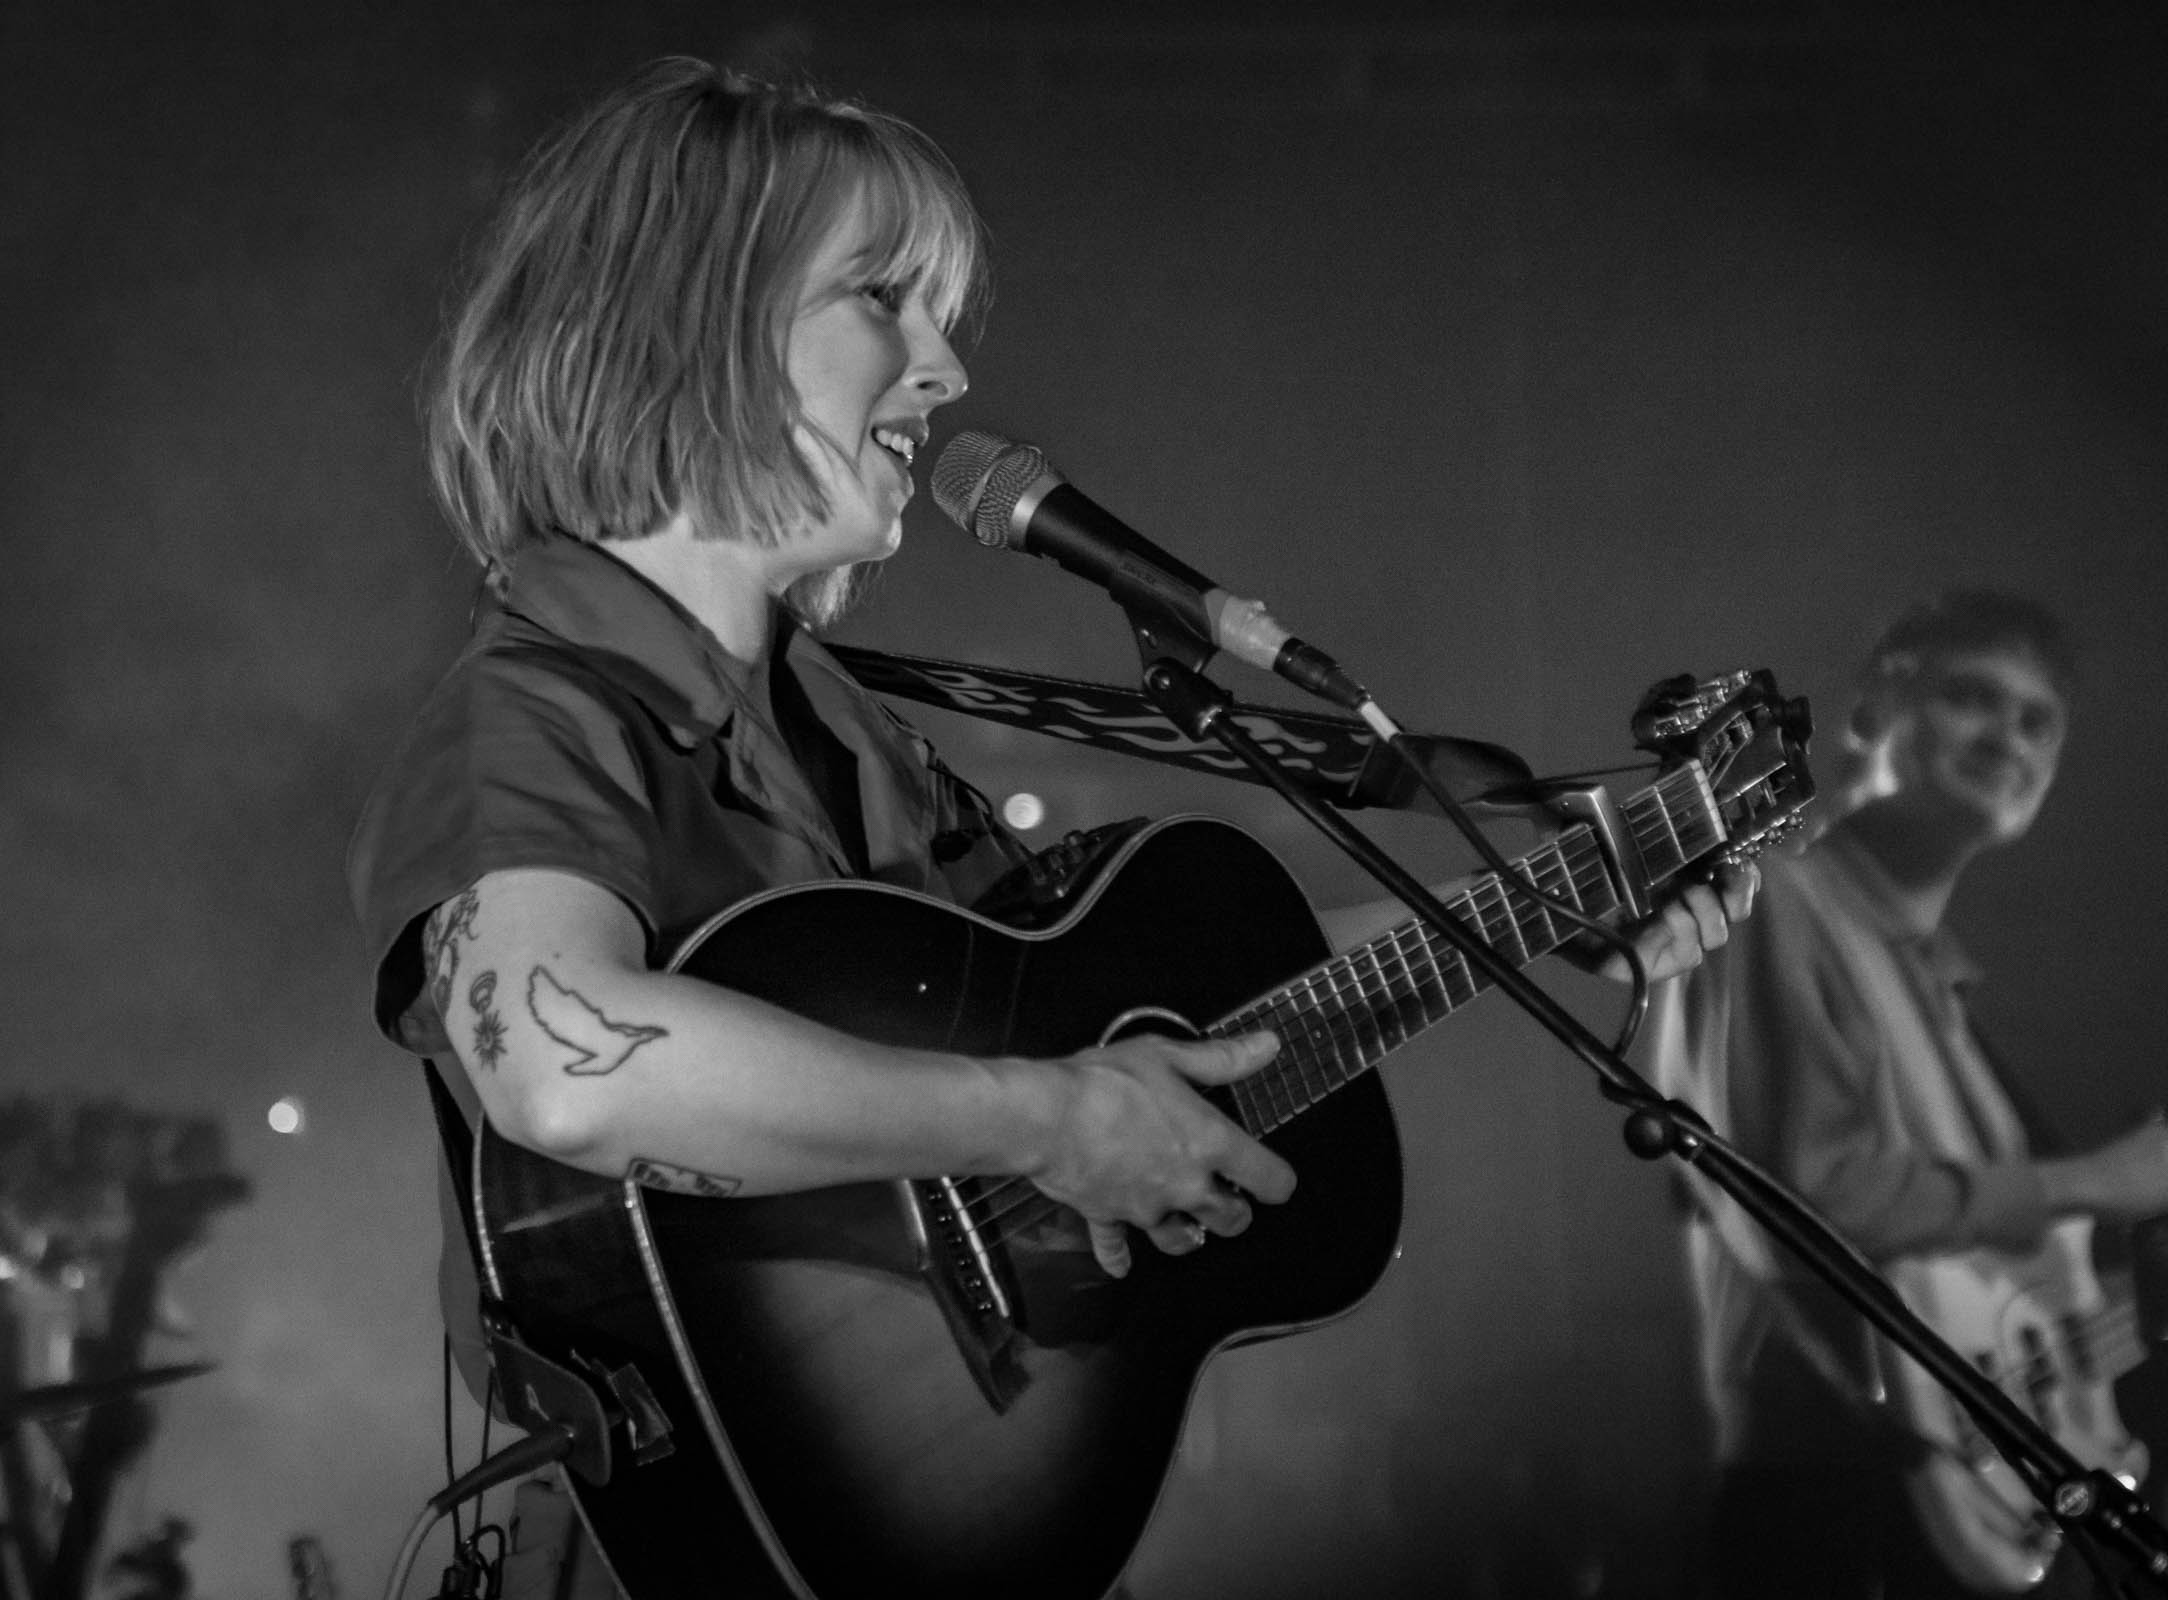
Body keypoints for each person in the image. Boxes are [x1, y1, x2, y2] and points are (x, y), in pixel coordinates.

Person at [345, 56, 1756, 1594]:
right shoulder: (535, 708)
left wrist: (1529, 902)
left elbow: (1133, 1026)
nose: (945, 372)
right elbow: (564, 1072)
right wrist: (1043, 1122)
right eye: (881, 299)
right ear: (683, 320)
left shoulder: (843, 723)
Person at [1642, 589, 2168, 1598]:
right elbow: (1811, 1205)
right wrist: (2090, 1182)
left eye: (2039, 721)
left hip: (1949, 1515)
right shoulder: (1773, 901)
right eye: (1971, 698)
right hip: (1839, 1513)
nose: (2009, 738)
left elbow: (1992, 1320)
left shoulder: (1938, 980)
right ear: (1870, 713)